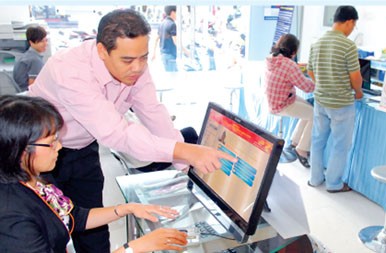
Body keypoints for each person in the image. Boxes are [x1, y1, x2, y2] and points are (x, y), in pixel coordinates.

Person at [28, 9, 236, 252]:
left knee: (93, 228)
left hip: (84, 146)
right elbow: (116, 133)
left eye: (144, 58)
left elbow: (153, 113)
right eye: (127, 60)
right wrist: (186, 151)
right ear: (102, 51)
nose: (138, 68)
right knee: (50, 229)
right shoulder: (70, 70)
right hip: (40, 152)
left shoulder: (135, 65)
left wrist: (186, 165)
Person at [0, 95, 188, 253]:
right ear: (21, 150)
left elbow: (74, 217)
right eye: (51, 142)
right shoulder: (12, 216)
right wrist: (133, 248)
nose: (59, 147)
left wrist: (126, 208)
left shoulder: (32, 181)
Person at [307, 6, 362, 193]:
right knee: (340, 145)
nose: (352, 30)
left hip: (321, 101)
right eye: (353, 26)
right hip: (341, 104)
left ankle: (314, 179)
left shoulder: (317, 42)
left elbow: (310, 70)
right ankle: (333, 184)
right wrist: (359, 93)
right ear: (349, 22)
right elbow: (355, 76)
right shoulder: (348, 45)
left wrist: (322, 84)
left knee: (317, 141)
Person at [264, 33, 315, 168]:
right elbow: (306, 87)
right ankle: (302, 149)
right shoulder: (289, 65)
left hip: (276, 100)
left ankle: (295, 142)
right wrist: (319, 82)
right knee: (315, 115)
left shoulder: (271, 58)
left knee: (309, 109)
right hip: (282, 104)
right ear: (293, 51)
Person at [152, 6, 189, 72]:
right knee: (173, 78)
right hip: (170, 56)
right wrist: (186, 52)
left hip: (163, 54)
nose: (178, 15)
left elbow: (156, 39)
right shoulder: (172, 24)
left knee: (172, 77)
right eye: (177, 13)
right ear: (173, 12)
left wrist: (154, 53)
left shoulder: (162, 23)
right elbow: (176, 41)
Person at [13, 25, 48, 91]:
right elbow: (33, 87)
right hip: (29, 95)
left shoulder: (28, 55)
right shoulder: (35, 60)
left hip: (22, 92)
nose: (45, 44)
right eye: (41, 41)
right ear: (31, 42)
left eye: (46, 40)